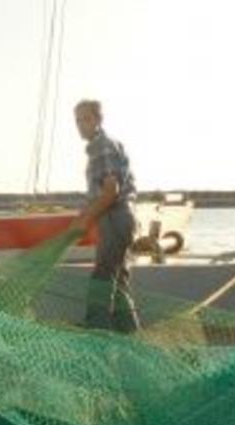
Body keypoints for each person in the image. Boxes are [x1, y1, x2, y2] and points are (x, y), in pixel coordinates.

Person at [71, 100, 141, 332]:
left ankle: (96, 333)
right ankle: (130, 337)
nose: (81, 125)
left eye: (86, 119)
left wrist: (86, 219)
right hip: (123, 219)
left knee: (103, 275)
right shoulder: (108, 144)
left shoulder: (102, 146)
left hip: (115, 218)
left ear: (98, 120)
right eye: (78, 120)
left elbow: (112, 191)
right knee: (119, 280)